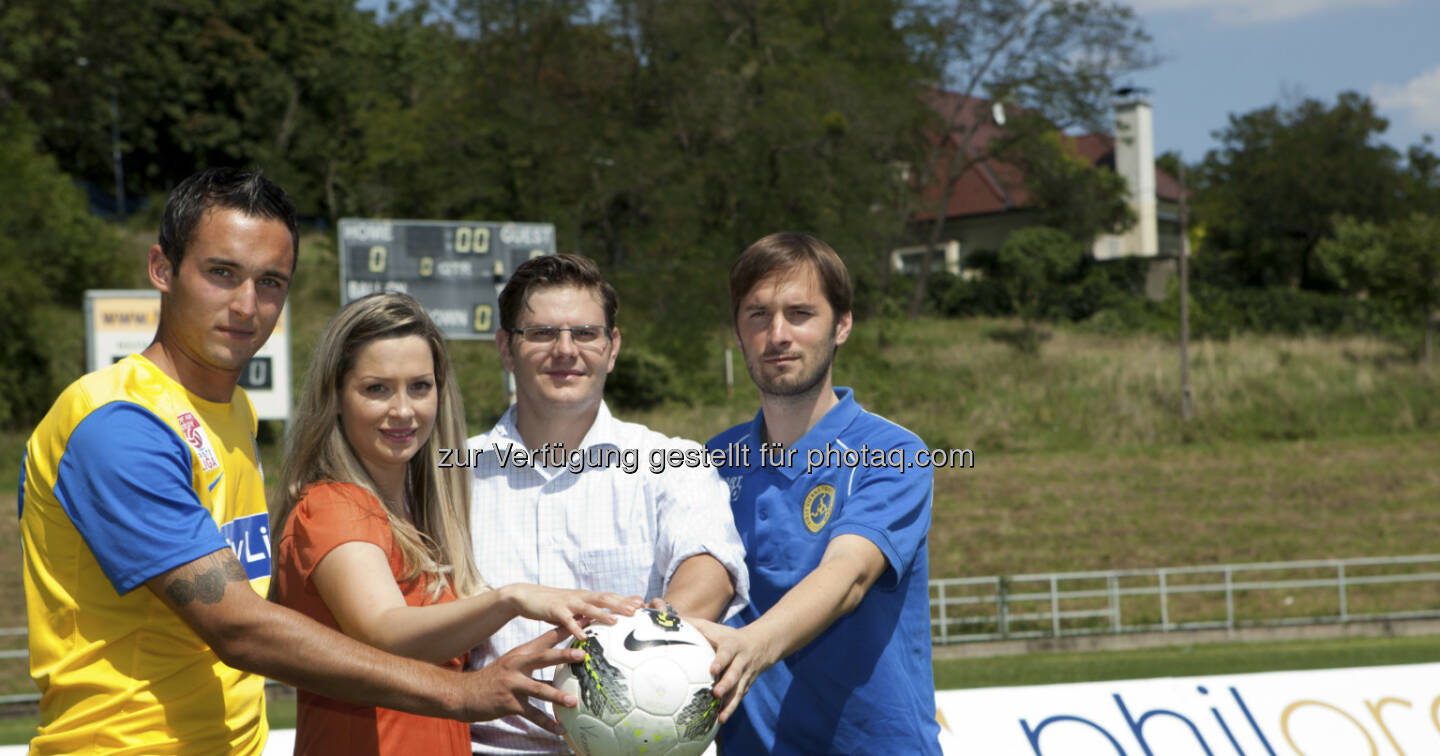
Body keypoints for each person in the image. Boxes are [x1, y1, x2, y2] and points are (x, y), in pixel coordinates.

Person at [18, 168, 590, 755]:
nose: (247, 304)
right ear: (162, 270)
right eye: (222, 273)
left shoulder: (234, 415)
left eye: (270, 282)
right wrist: (461, 693)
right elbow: (238, 627)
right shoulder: (119, 424)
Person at [271, 292, 642, 756]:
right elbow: (386, 634)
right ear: (336, 397)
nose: (403, 410)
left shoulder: (417, 512)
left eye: (420, 387)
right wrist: (512, 598)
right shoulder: (332, 505)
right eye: (377, 388)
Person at [465, 253, 749, 755]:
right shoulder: (455, 476)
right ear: (506, 349)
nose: (565, 350)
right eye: (542, 333)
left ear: (612, 347)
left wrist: (636, 665)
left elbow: (710, 568)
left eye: (586, 333)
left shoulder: (675, 461)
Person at [696, 232, 942, 755]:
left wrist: (753, 645)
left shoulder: (892, 450)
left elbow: (848, 576)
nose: (777, 334)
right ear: (738, 333)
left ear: (842, 325)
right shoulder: (711, 462)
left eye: (800, 313)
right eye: (757, 315)